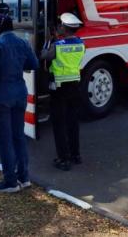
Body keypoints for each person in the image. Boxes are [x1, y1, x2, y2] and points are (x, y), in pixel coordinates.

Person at [0, 14, 39, 192]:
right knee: (19, 136)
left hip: (1, 96)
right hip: (20, 93)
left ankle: (10, 181)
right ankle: (24, 177)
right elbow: (33, 64)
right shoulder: (23, 43)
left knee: (4, 140)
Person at [40, 12, 85, 171]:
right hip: (74, 86)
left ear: (64, 28)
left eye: (60, 26)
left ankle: (63, 159)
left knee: (59, 123)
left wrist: (47, 41)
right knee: (73, 121)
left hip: (59, 88)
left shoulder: (57, 46)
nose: (58, 28)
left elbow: (43, 55)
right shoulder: (81, 43)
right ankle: (75, 155)